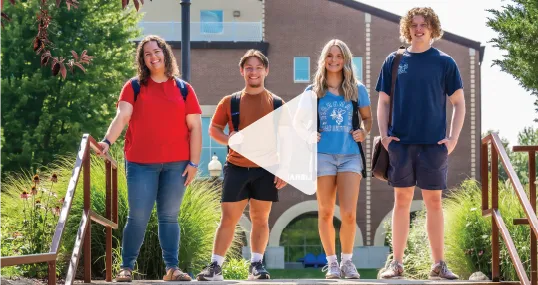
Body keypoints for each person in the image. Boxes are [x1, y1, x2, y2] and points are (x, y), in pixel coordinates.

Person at [97, 35, 202, 282]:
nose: (153, 56)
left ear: (165, 53)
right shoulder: (133, 86)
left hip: (177, 165)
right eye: (147, 54)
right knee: (138, 216)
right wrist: (107, 141)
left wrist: (194, 163)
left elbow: (195, 127)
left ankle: (172, 269)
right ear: (142, 60)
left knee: (169, 217)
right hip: (141, 164)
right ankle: (125, 267)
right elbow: (122, 116)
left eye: (157, 51)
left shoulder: (184, 89)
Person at [375, 7, 465, 280]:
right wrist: (386, 137)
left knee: (434, 202)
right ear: (407, 28)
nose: (418, 28)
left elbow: (459, 103)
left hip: (433, 145)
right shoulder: (394, 60)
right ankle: (397, 264)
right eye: (413, 24)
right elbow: (383, 102)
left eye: (424, 24)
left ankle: (438, 264)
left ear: (432, 28)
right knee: (401, 201)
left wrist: (452, 140)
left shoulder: (445, 62)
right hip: (400, 144)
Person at [196, 49, 287, 281]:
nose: (253, 72)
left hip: (266, 169)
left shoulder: (277, 104)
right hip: (236, 167)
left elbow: (288, 139)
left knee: (261, 219)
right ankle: (215, 267)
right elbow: (213, 129)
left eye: (258, 68)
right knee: (228, 218)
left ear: (266, 70)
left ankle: (256, 266)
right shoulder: (230, 101)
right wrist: (229, 140)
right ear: (241, 71)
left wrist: (285, 168)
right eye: (249, 68)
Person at [308, 39, 372, 279]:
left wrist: (364, 132)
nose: (334, 60)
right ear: (323, 59)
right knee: (325, 211)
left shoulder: (358, 89)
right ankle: (332, 263)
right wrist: (308, 133)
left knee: (348, 213)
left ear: (346, 60)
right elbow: (297, 123)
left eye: (339, 56)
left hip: (350, 157)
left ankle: (347, 261)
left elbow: (368, 120)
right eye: (330, 56)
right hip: (322, 155)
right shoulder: (312, 91)